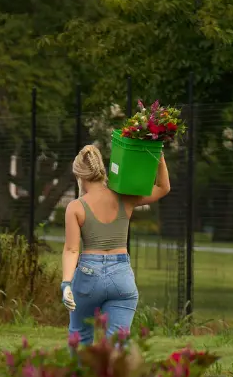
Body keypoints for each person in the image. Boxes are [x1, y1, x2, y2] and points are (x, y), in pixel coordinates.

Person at [60, 145, 170, 345]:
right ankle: (115, 376)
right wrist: (158, 154)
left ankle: (79, 376)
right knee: (118, 343)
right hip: (121, 277)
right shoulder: (124, 197)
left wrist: (66, 283)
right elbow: (163, 188)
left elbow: (72, 249)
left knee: (80, 337)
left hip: (88, 277)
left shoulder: (76, 207)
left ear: (79, 175)